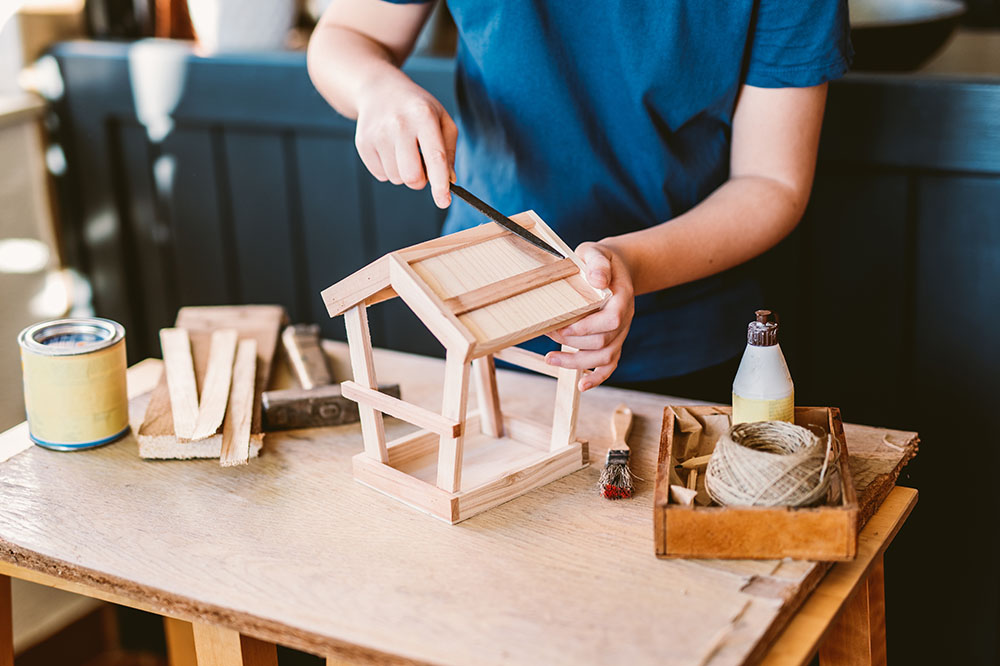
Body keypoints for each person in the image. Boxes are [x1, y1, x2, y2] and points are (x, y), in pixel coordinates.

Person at [307, 1, 851, 399]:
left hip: (688, 344)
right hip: (486, 315)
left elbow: (771, 183)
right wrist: (374, 88)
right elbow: (345, 35)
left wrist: (631, 265)